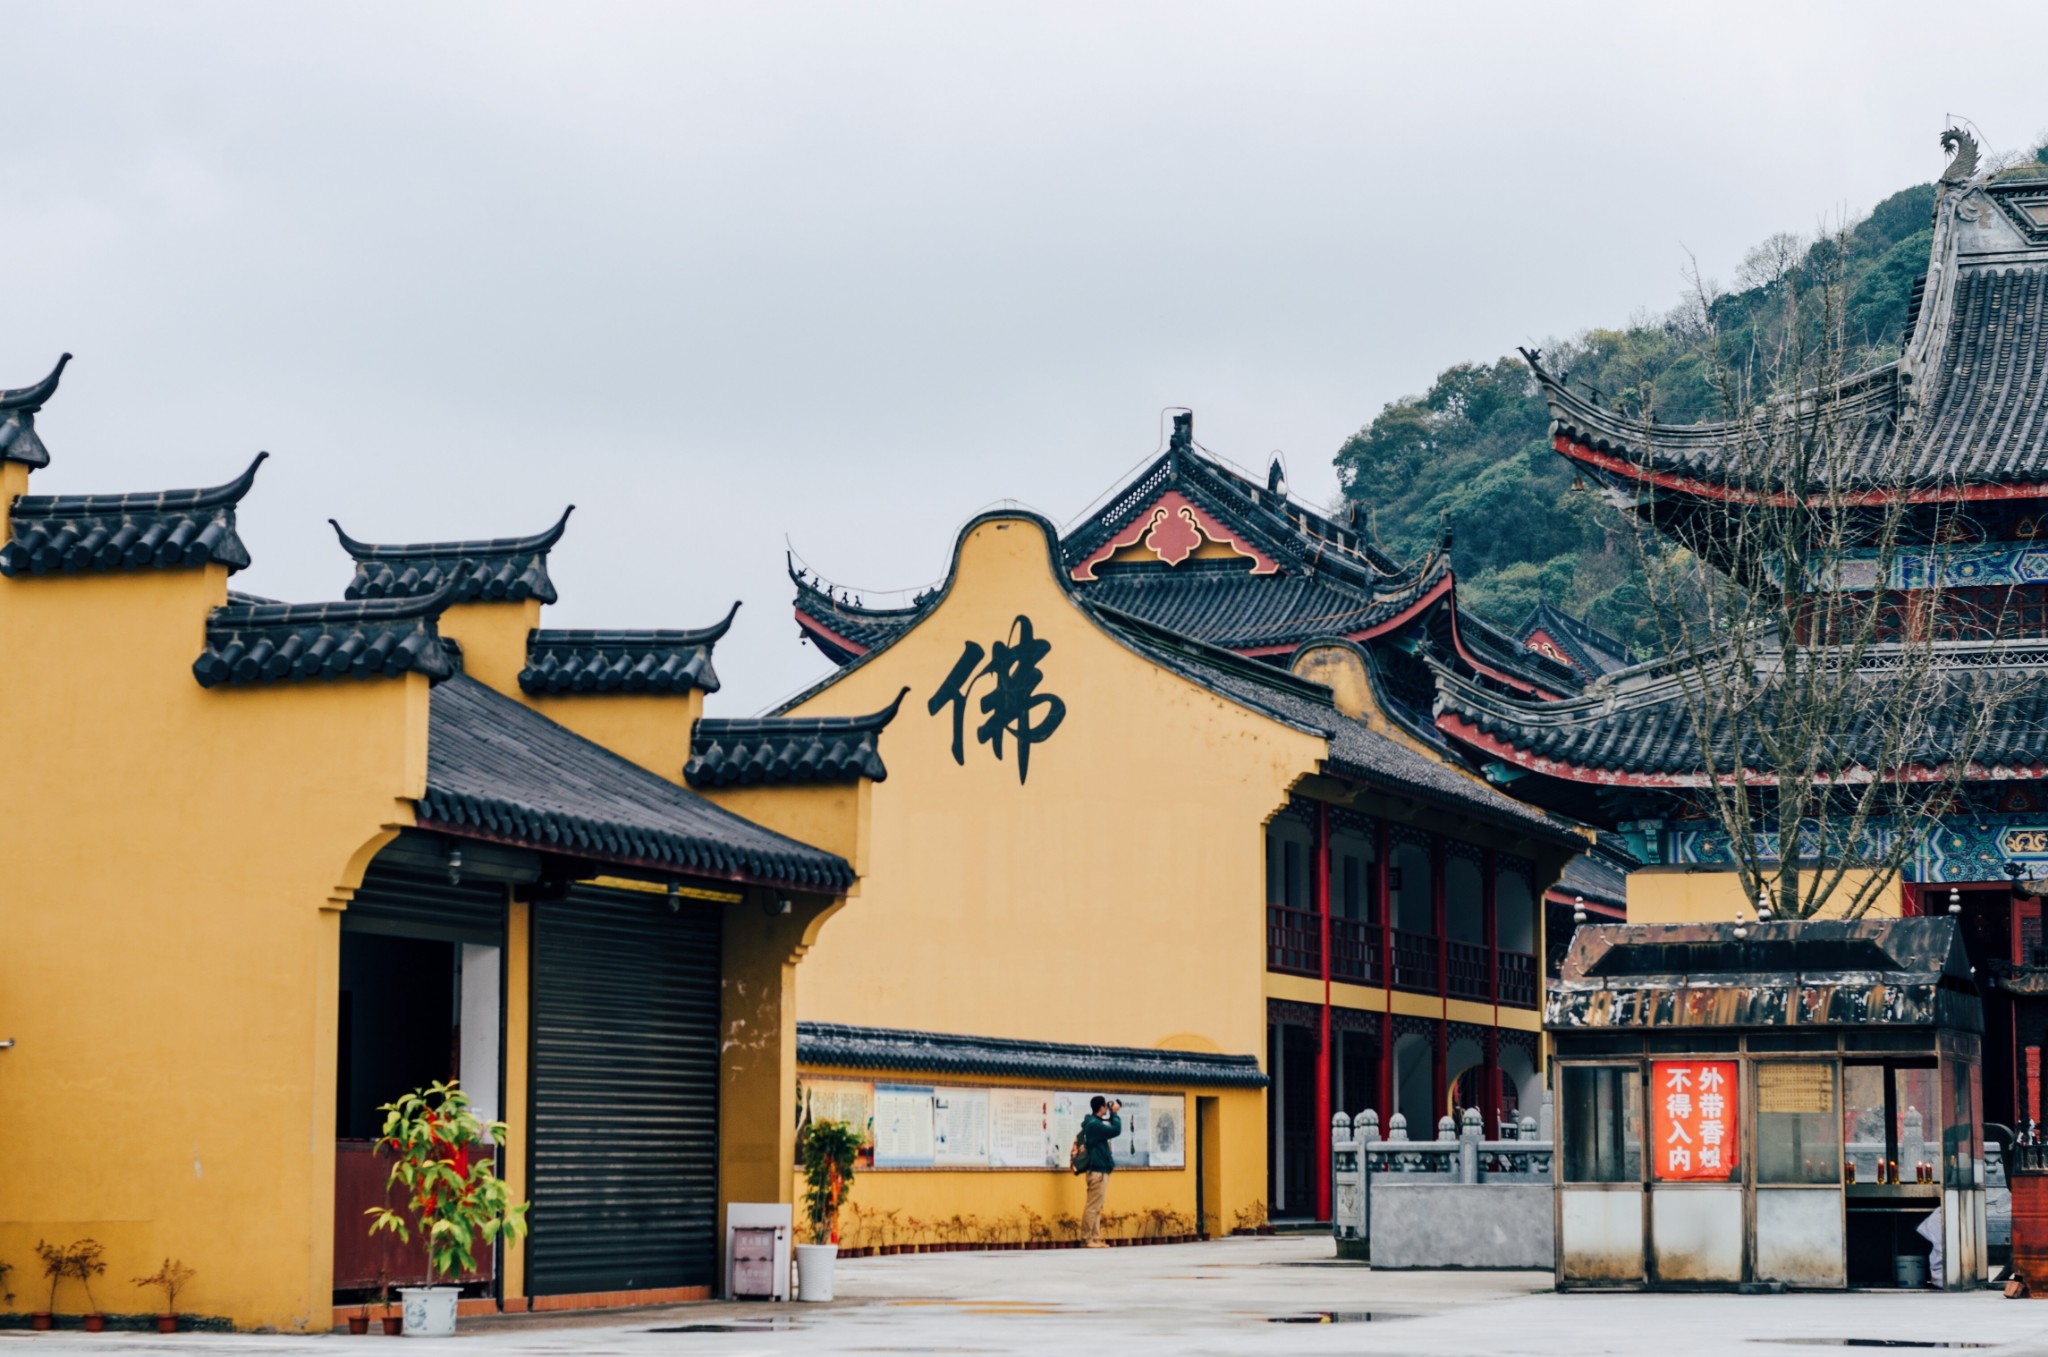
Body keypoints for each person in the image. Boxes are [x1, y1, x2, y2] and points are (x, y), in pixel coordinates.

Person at [1080, 1096, 1122, 1248]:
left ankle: (1095, 1238)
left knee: (1097, 1207)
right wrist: (1115, 1114)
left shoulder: (1095, 1123)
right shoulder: (1094, 1125)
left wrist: (1111, 1113)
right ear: (1101, 1108)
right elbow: (1116, 1129)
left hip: (1101, 1170)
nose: (1107, 1108)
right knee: (1092, 1207)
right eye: (1106, 1106)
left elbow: (1109, 1128)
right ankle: (1087, 1238)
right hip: (1097, 1171)